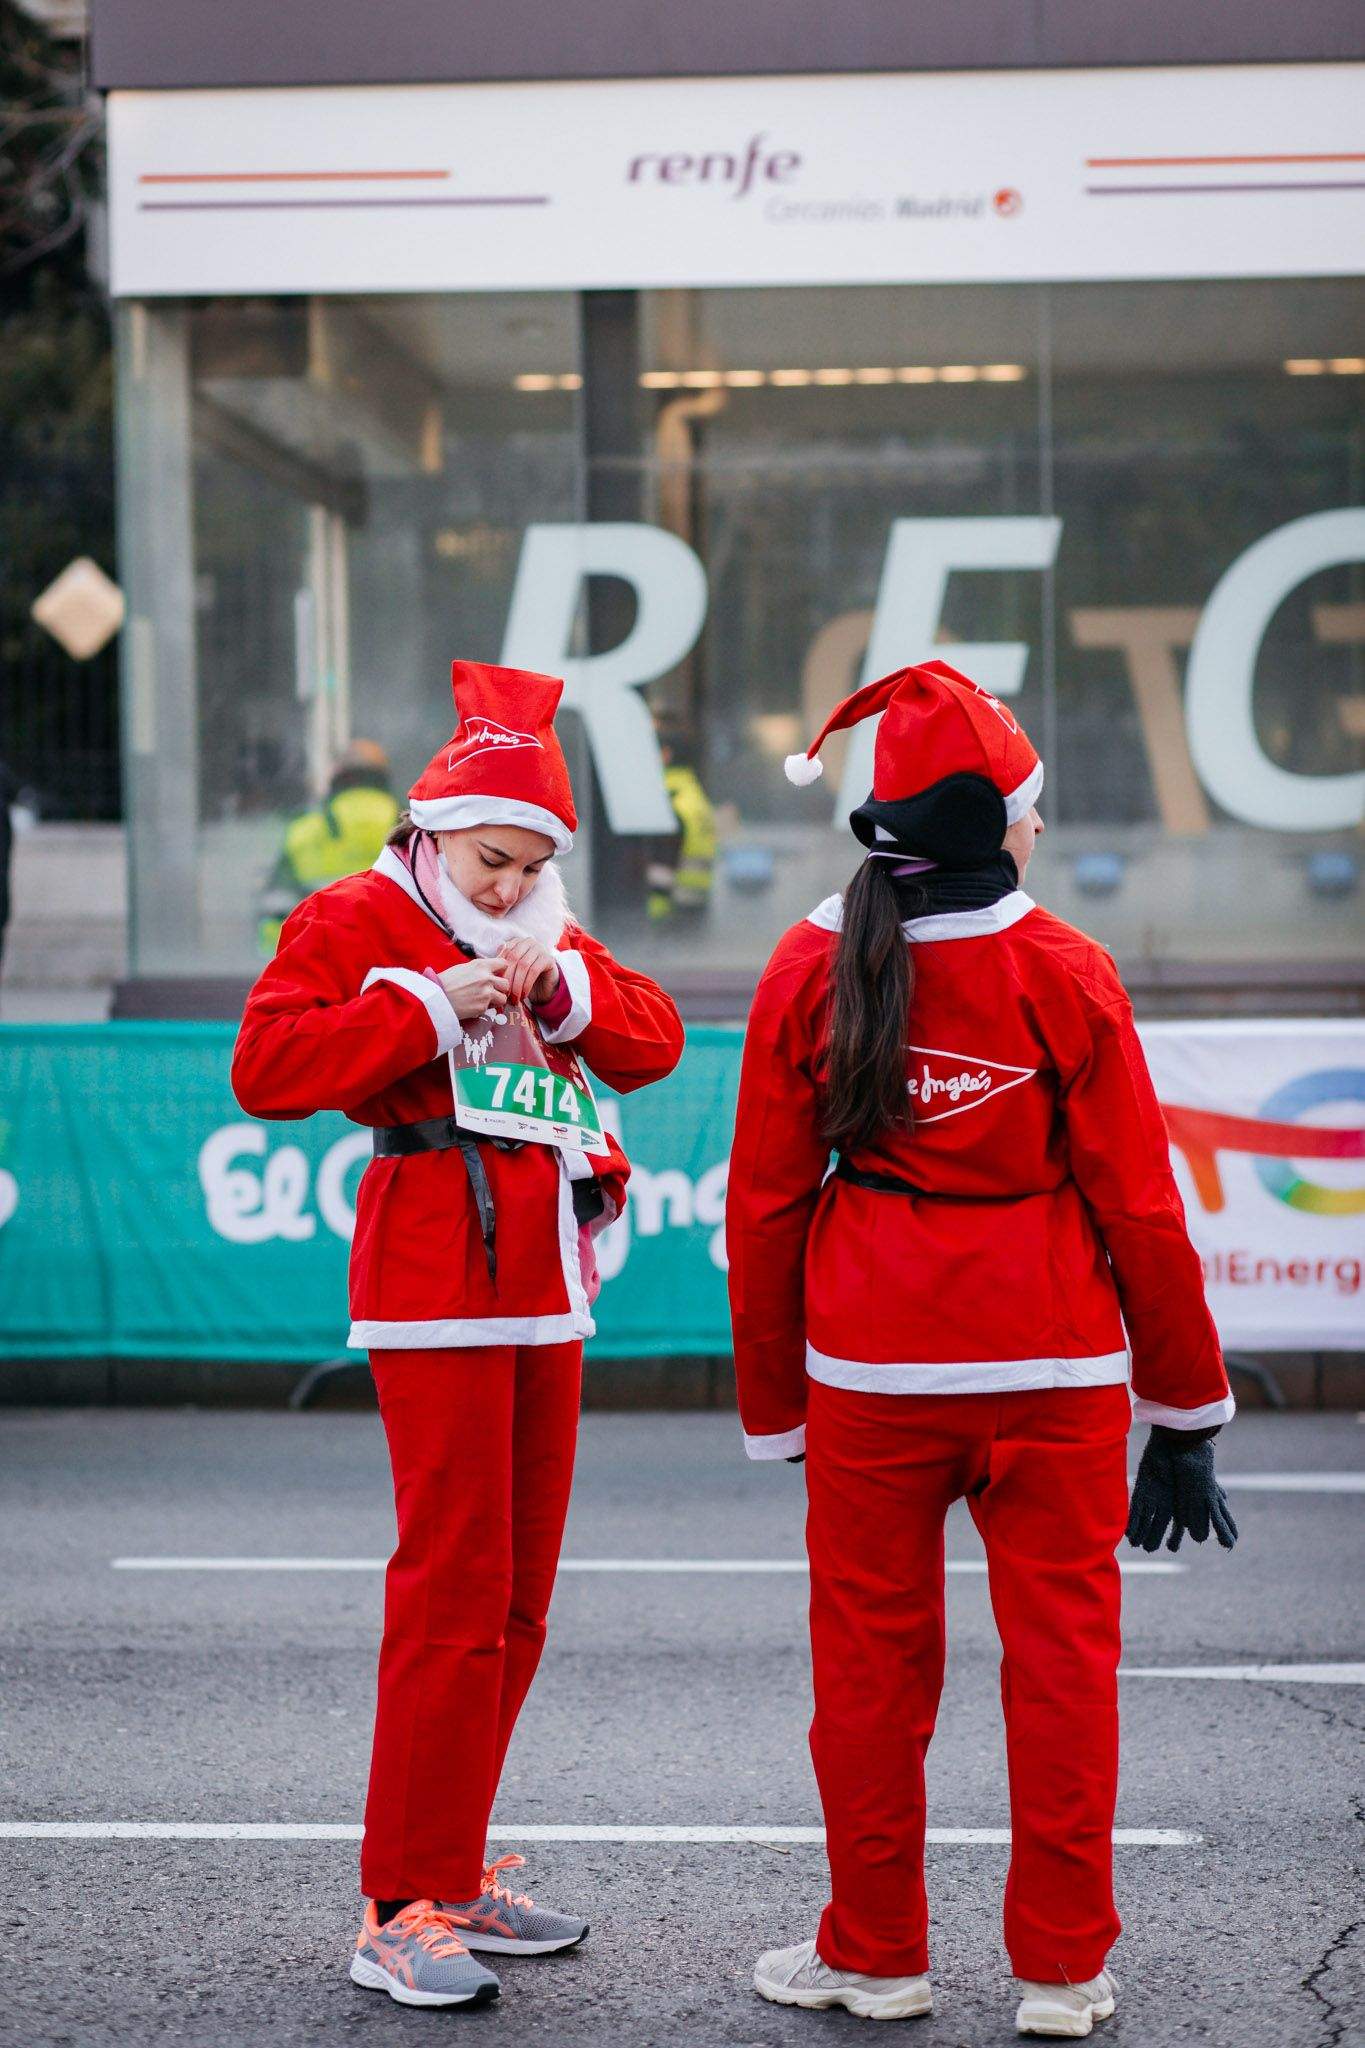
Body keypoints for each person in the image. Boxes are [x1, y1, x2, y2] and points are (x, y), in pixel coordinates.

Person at [726, 660, 1237, 2037]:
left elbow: (765, 1205)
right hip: (1056, 1370)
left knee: (869, 1680)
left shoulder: (803, 965)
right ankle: (1063, 1974)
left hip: (870, 1376)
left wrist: (775, 1408)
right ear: (997, 824)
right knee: (1063, 1670)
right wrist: (1184, 1405)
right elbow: (1138, 1200)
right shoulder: (1064, 966)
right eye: (1033, 810)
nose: (1041, 832)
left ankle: (877, 1956)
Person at [232, 661, 683, 2012]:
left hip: (547, 1276)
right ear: (434, 827)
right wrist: (432, 1004)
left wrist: (559, 995)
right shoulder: (359, 911)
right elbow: (265, 1070)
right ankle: (394, 1906)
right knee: (449, 1588)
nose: (509, 886)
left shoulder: (543, 918)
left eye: (532, 863)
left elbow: (651, 1040)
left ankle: (455, 1864)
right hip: (434, 1276)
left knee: (517, 1594)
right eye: (492, 860)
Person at [257, 738, 400, 955]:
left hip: (323, 965)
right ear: (383, 778)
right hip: (400, 970)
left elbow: (276, 908)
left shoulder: (304, 830)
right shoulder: (415, 827)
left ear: (338, 777)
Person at [645, 717, 717, 923]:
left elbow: (663, 862)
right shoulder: (692, 793)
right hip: (696, 904)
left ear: (665, 754)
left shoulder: (669, 797)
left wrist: (654, 916)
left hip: (672, 913)